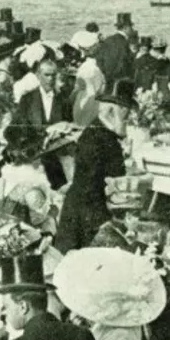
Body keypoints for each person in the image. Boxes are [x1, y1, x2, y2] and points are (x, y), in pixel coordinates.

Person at [56, 81, 131, 252]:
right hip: (89, 214)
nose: (127, 119)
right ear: (113, 111)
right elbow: (110, 180)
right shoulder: (104, 138)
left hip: (79, 207)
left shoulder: (96, 130)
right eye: (125, 113)